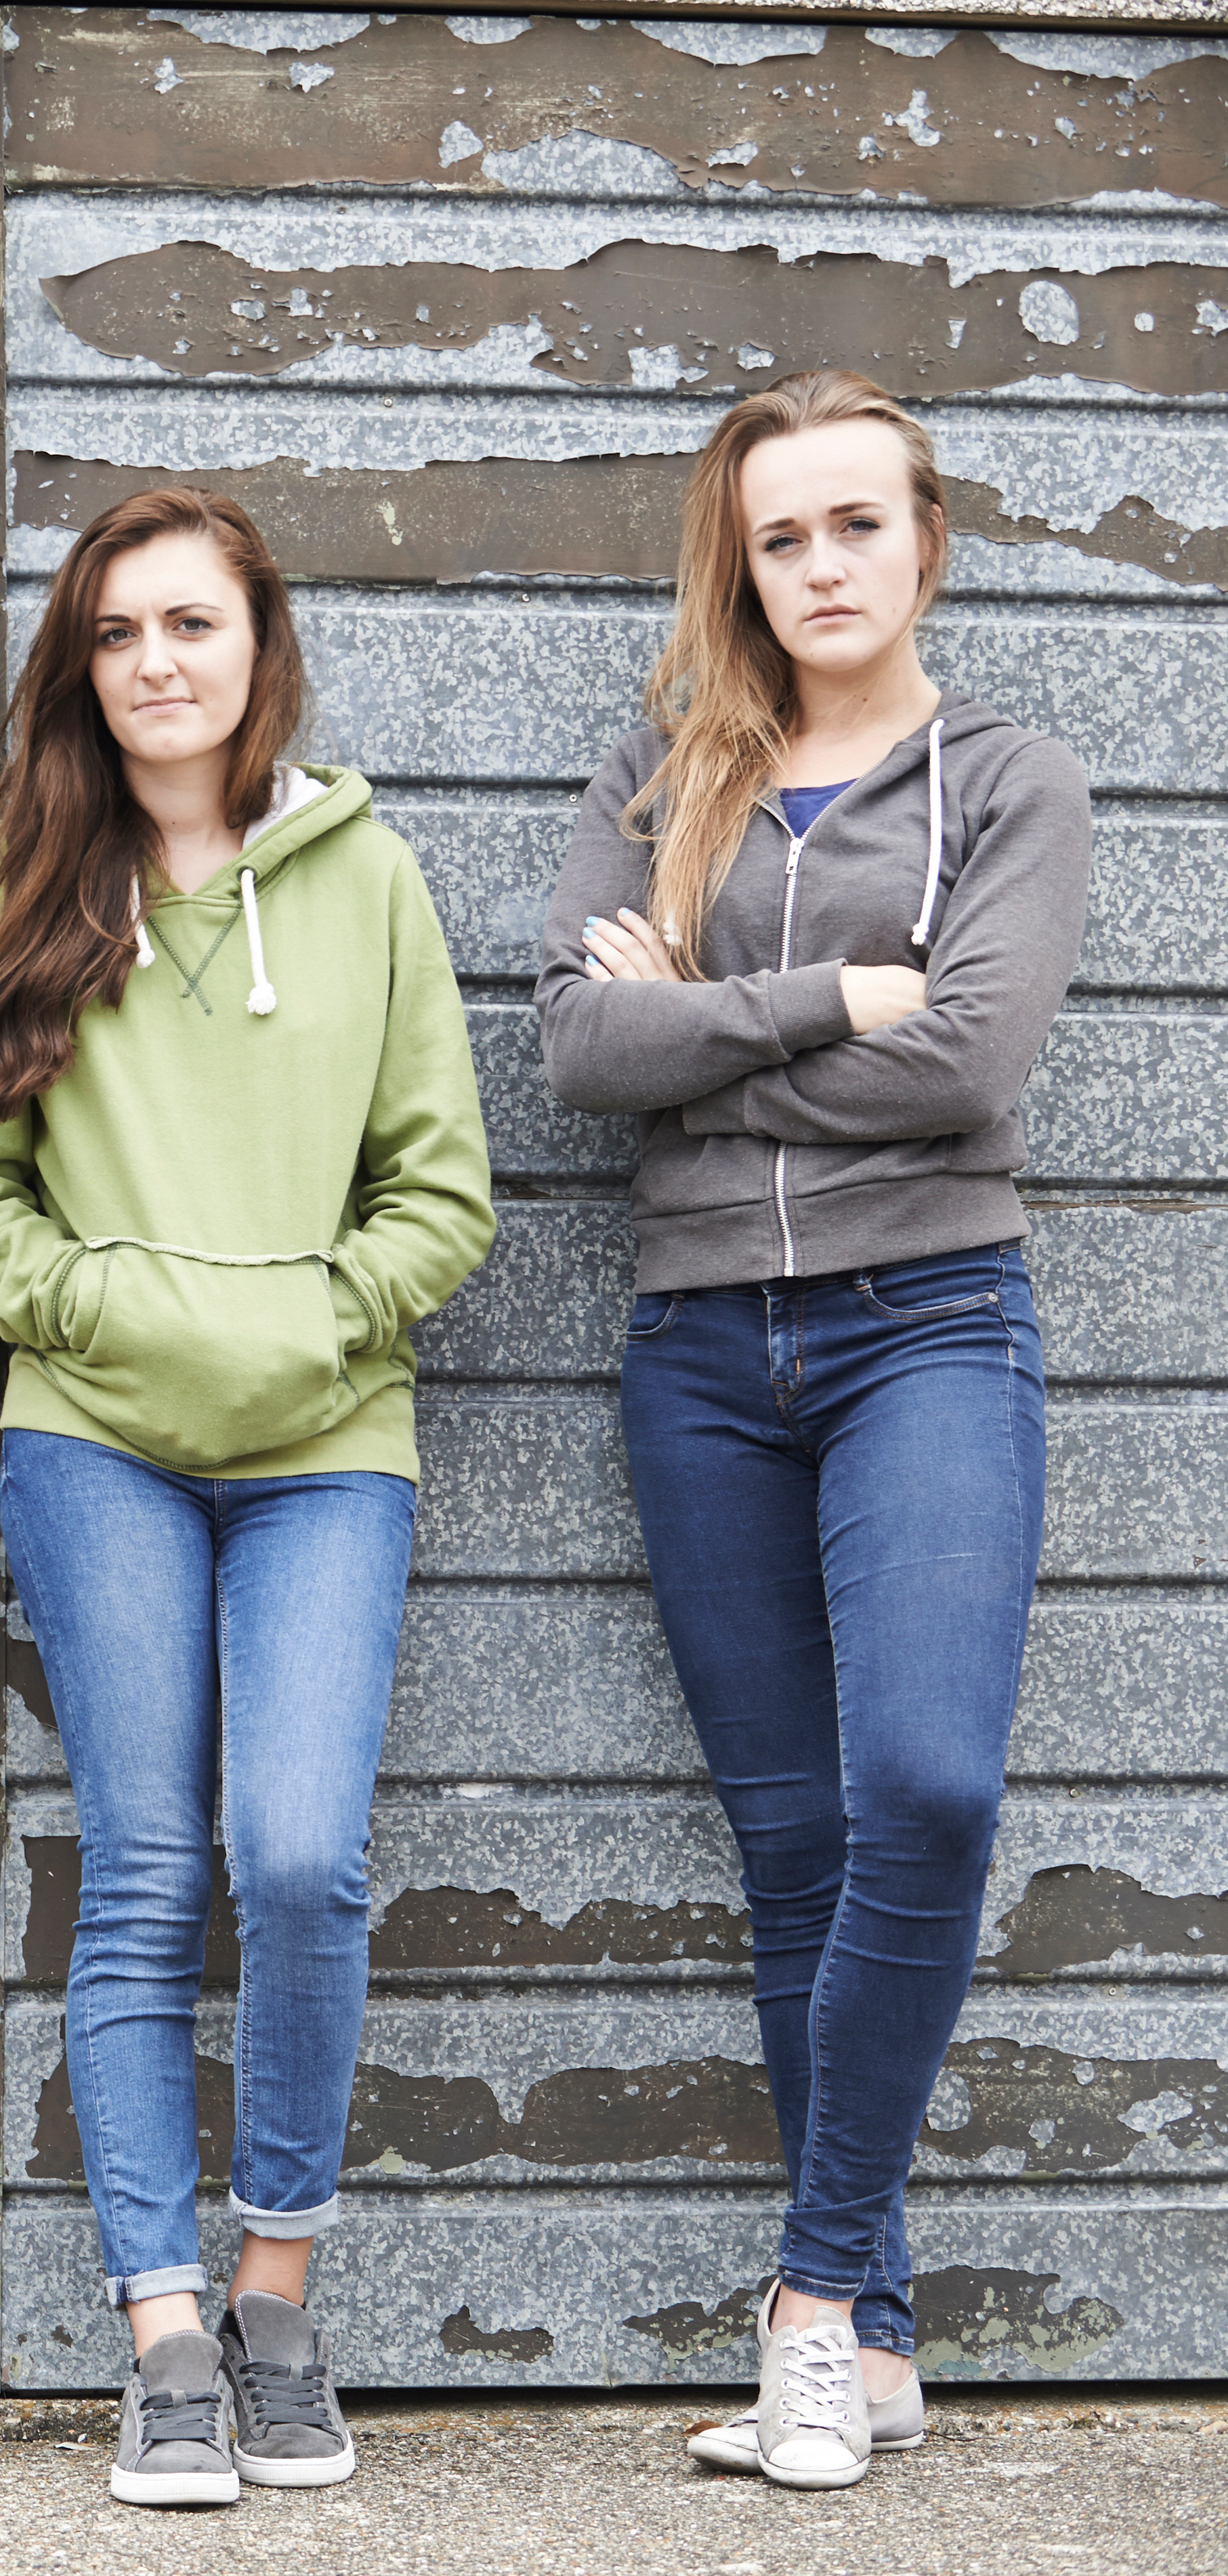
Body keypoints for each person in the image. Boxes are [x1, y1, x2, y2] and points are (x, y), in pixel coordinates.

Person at [0, 488, 493, 2510]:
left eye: (192, 624)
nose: (156, 661)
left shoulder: (365, 878)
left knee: (304, 1857)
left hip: (331, 1438)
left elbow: (443, 1187)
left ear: (260, 648)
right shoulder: (9, 878)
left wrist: (316, 1320)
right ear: (79, 665)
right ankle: (157, 2327)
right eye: (116, 631)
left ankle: (273, 2290)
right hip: (95, 1442)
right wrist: (111, 1311)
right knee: (146, 1869)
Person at [536, 372, 1087, 2493]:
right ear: (740, 562)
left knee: (926, 1788)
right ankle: (875, 2340)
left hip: (924, 1323)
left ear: (922, 539)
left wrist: (713, 1037)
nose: (823, 564)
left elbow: (967, 1065)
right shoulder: (662, 770)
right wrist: (827, 998)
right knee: (792, 1850)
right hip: (698, 1357)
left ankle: (808, 2298)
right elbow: (582, 1047)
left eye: (858, 523)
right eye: (783, 535)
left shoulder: (1008, 780)